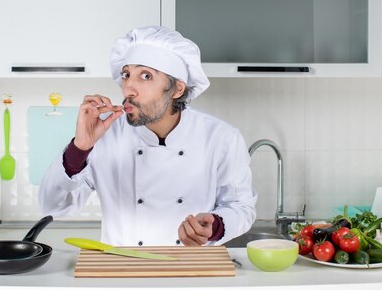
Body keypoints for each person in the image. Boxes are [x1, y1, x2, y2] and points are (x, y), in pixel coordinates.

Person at [39, 26, 256, 246]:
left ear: (177, 89)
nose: (128, 89)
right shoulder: (105, 137)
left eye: (145, 75)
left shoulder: (221, 138)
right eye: (126, 75)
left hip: (191, 271)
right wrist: (80, 148)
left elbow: (241, 208)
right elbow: (53, 206)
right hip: (124, 271)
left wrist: (216, 226)